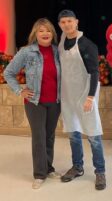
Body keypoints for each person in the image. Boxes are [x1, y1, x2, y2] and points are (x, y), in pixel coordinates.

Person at [4, 18, 61, 189]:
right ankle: (39, 174)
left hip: (55, 101)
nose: (45, 33)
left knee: (49, 136)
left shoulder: (58, 51)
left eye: (48, 30)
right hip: (35, 102)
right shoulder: (27, 52)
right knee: (38, 137)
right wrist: (20, 90)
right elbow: (9, 73)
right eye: (41, 30)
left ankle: (49, 167)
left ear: (53, 34)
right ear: (35, 34)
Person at [57, 9, 106, 190]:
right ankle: (77, 167)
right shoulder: (61, 43)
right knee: (73, 134)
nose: (66, 25)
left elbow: (94, 73)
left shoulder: (86, 45)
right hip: (68, 97)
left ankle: (100, 171)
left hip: (85, 96)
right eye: (63, 22)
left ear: (76, 22)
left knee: (93, 135)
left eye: (70, 21)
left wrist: (90, 97)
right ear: (60, 25)